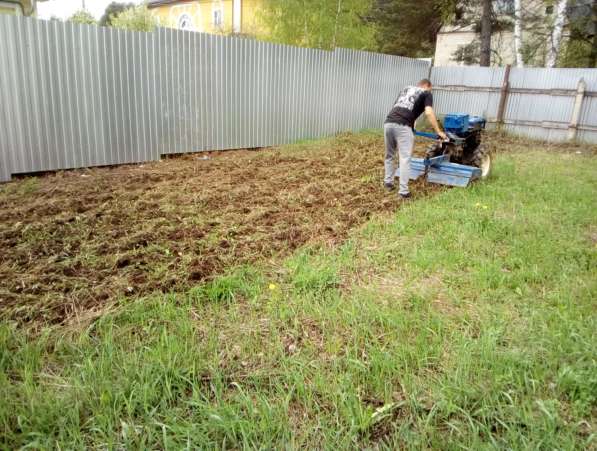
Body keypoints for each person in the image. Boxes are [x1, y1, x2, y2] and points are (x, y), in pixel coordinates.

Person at [383, 79, 447, 199]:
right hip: (402, 126)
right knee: (405, 159)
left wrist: (411, 127)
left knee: (389, 155)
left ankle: (388, 183)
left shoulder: (406, 89)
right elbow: (428, 112)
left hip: (388, 123)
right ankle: (403, 192)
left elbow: (403, 108)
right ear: (428, 86)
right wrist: (439, 131)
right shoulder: (427, 93)